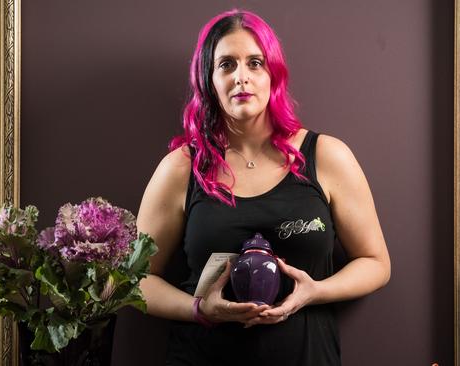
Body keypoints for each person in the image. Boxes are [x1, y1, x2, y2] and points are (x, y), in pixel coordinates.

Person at [136, 9, 390, 366]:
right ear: (208, 79)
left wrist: (315, 292)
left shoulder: (327, 156)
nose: (242, 77)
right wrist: (199, 309)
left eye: (255, 63)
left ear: (274, 74)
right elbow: (134, 280)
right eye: (226, 65)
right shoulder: (181, 167)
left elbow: (376, 263)